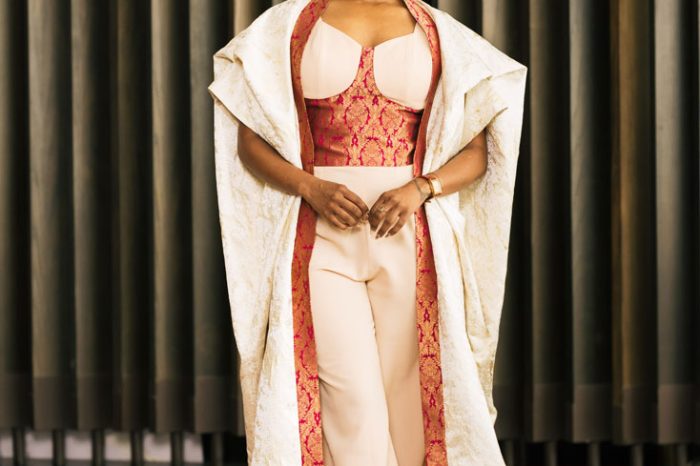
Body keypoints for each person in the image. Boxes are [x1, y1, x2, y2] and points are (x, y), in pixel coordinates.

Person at [208, 0, 527, 465]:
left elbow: (476, 152)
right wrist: (310, 187)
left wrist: (422, 188)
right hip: (320, 239)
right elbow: (249, 140)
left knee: (413, 409)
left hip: (412, 242)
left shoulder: (440, 34)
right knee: (351, 408)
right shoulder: (288, 25)